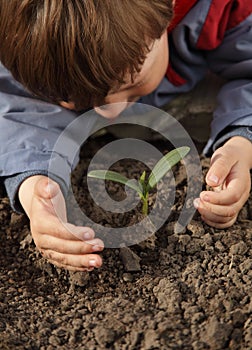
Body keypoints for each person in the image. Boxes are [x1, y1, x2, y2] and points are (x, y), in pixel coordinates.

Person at [0, 0, 251, 272]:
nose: (111, 111)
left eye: (130, 83)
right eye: (72, 97)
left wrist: (241, 140)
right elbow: (16, 104)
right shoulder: (22, 37)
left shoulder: (224, 7)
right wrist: (35, 187)